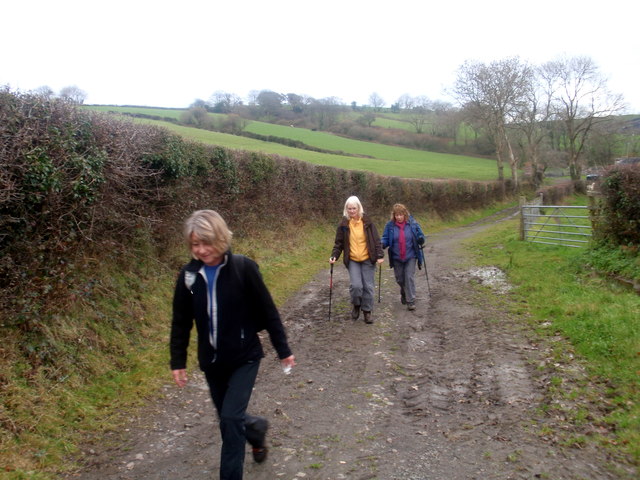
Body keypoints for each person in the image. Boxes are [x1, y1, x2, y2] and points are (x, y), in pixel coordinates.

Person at [170, 209, 295, 480]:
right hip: (212, 362)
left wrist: (283, 349)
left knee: (229, 420)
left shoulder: (243, 268)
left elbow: (268, 310)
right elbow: (181, 321)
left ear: (220, 238)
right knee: (230, 419)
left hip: (244, 357)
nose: (201, 250)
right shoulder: (190, 277)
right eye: (195, 244)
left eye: (206, 242)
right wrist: (177, 361)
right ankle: (256, 429)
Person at [329, 196, 384, 324]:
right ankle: (356, 305)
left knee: (368, 286)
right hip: (353, 259)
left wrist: (380, 255)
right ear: (346, 210)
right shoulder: (343, 225)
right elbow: (339, 243)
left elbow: (376, 240)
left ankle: (367, 312)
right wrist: (334, 256)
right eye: (349, 209)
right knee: (356, 286)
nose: (352, 211)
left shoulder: (368, 223)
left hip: (367, 259)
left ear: (359, 208)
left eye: (354, 208)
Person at [381, 203, 426, 310]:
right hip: (397, 257)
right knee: (400, 279)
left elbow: (421, 235)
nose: (399, 217)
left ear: (405, 214)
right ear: (394, 215)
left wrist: (420, 239)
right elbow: (385, 238)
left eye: (401, 215)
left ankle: (411, 301)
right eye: (397, 215)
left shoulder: (413, 224)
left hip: (411, 256)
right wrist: (382, 244)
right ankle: (404, 291)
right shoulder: (390, 225)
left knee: (409, 277)